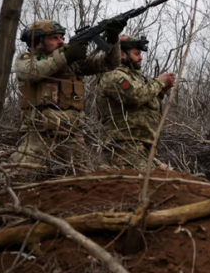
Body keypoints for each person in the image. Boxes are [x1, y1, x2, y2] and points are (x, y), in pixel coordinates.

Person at [11, 18, 125, 177]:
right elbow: (32, 72)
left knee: (91, 178)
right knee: (16, 177)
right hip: (39, 133)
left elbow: (109, 64)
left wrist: (113, 39)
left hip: (71, 134)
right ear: (38, 42)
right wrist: (66, 56)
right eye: (54, 38)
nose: (61, 41)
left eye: (62, 37)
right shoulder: (26, 59)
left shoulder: (73, 62)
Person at [96, 35, 175, 170]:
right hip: (124, 147)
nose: (141, 57)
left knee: (168, 179)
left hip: (141, 148)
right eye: (136, 54)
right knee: (139, 186)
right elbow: (135, 97)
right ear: (122, 54)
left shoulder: (135, 77)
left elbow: (145, 103)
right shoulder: (114, 75)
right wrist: (159, 82)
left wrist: (162, 91)